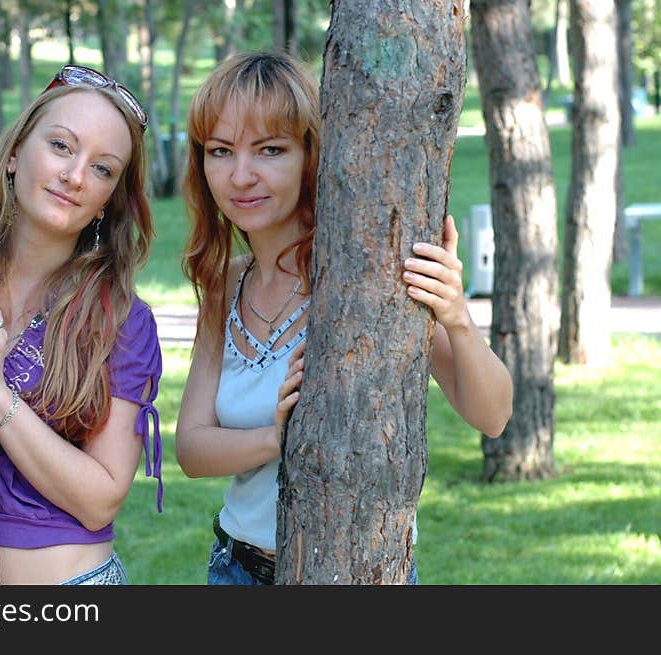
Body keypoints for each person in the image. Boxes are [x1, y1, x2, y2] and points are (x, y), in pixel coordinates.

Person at [175, 51, 514, 585]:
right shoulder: (225, 284)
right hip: (235, 571)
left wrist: (456, 318)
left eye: (270, 150)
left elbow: (493, 415)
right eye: (221, 151)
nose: (241, 176)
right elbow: (191, 448)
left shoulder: (364, 276)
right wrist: (278, 438)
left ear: (311, 154)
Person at [0, 65, 163, 585]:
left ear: (110, 200)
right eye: (61, 146)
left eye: (103, 169)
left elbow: (102, 499)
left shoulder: (121, 319)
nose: (76, 176)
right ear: (14, 153)